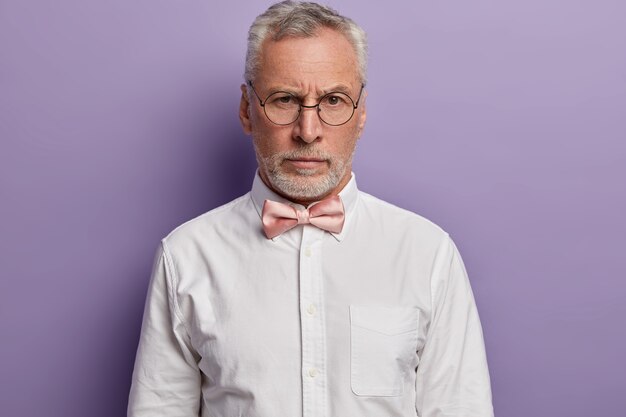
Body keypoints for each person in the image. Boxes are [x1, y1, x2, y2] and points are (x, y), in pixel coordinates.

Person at [127, 1, 494, 416]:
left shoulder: (428, 255)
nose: (309, 130)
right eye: (285, 100)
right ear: (248, 110)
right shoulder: (186, 257)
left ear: (361, 113)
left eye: (334, 100)